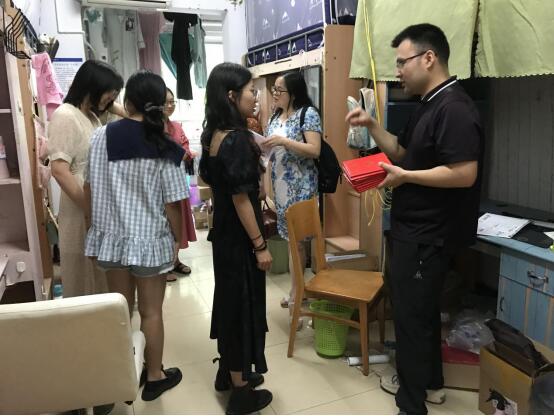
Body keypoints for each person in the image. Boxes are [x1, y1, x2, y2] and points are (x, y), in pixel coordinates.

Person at [346, 24, 483, 414]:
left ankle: (411, 403)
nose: (398, 71)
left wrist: (406, 177)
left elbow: (464, 173)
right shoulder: (428, 103)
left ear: (429, 58)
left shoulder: (455, 108)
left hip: (428, 233)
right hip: (413, 229)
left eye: (402, 62)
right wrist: (372, 125)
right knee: (420, 314)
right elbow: (402, 152)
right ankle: (432, 385)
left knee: (410, 317)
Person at [84, 70, 187, 401]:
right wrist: (176, 240)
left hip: (111, 240)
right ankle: (154, 376)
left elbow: (89, 188)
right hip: (150, 241)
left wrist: (92, 230)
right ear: (160, 105)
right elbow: (173, 204)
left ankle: (121, 379)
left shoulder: (100, 136)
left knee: (120, 312)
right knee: (152, 312)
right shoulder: (165, 146)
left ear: (127, 102)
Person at [199, 62, 273, 415]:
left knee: (230, 303)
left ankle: (229, 373)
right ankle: (241, 394)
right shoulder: (238, 140)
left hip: (224, 235)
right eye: (251, 91)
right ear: (232, 96)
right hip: (241, 237)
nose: (256, 97)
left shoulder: (214, 133)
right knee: (242, 308)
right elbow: (242, 199)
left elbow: (215, 185)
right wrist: (260, 245)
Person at [48, 60, 123, 298]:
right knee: (84, 272)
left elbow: (131, 116)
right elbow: (59, 170)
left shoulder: (90, 116)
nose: (112, 97)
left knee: (99, 272)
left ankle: (103, 318)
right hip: (80, 203)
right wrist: (89, 207)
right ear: (93, 85)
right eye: (110, 91)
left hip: (94, 201)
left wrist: (110, 103)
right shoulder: (65, 115)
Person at [265, 71, 321, 321]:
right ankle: (297, 291)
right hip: (280, 188)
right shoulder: (275, 116)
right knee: (290, 242)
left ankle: (297, 296)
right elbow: (270, 152)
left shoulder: (308, 114)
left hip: (301, 187)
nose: (275, 94)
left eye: (279, 90)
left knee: (297, 243)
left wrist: (284, 142)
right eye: (274, 90)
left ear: (294, 93)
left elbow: (315, 150)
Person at [163, 87, 197, 280]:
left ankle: (174, 260)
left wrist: (180, 153)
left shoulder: (176, 126)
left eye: (172, 102)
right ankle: (165, 264)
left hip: (177, 180)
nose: (170, 105)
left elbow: (186, 152)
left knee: (177, 222)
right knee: (165, 224)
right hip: (160, 185)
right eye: (166, 102)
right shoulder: (152, 128)